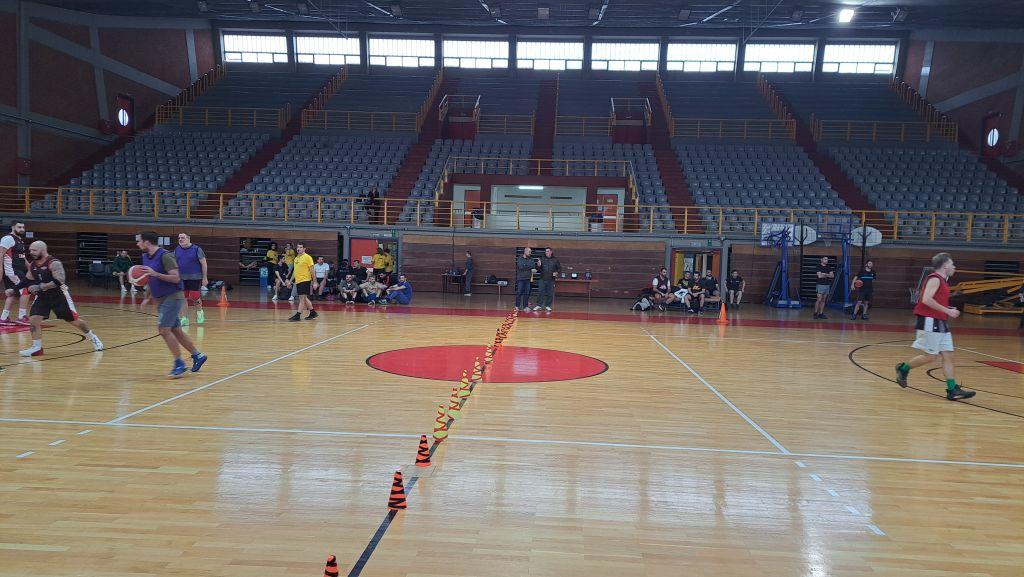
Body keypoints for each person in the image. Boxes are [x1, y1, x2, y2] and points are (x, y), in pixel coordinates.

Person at [895, 253, 974, 401]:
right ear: (945, 266)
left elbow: (935, 301)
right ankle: (903, 369)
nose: (954, 267)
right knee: (930, 357)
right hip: (930, 321)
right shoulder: (934, 279)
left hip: (940, 322)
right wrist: (948, 311)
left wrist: (946, 308)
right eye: (952, 264)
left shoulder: (942, 281)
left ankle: (952, 390)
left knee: (948, 355)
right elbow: (926, 300)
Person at [6, 241, 103, 357]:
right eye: (30, 250)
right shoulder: (33, 265)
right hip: (42, 296)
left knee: (73, 320)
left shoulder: (54, 263)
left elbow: (59, 280)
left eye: (34, 250)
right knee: (33, 320)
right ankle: (37, 348)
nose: (31, 252)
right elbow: (26, 280)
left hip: (59, 296)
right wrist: (14, 289)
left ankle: (93, 337)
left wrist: (40, 287)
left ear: (43, 250)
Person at [136, 231, 207, 377]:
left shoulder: (165, 255)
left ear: (147, 242)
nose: (138, 244)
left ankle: (179, 363)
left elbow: (176, 278)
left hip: (173, 297)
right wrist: (146, 297)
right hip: (159, 298)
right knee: (176, 331)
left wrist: (156, 274)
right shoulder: (145, 257)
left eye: (139, 241)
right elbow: (149, 279)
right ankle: (198, 355)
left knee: (163, 330)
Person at [174, 233, 208, 326]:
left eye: (183, 237)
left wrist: (205, 278)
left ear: (188, 238)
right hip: (181, 277)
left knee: (194, 296)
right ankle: (184, 318)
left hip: (195, 277)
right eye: (179, 238)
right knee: (183, 297)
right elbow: (174, 263)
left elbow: (204, 264)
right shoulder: (177, 249)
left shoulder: (197, 249)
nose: (180, 239)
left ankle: (199, 311)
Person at [1, 220, 30, 325]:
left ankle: (3, 318)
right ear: (13, 227)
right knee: (26, 290)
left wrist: (29, 267)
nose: (22, 229)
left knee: (13, 293)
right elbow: (0, 254)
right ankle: (22, 317)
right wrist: (1, 269)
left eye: (23, 227)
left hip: (18, 270)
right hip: (12, 271)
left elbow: (22, 256)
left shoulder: (19, 240)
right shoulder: (8, 238)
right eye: (19, 227)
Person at [289, 243, 317, 322]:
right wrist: (290, 281)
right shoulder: (296, 258)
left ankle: (298, 315)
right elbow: (295, 271)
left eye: (300, 247)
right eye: (298, 247)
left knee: (301, 298)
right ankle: (313, 312)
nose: (298, 248)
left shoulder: (308, 257)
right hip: (298, 281)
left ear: (304, 249)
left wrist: (315, 282)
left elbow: (312, 271)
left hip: (305, 280)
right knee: (304, 298)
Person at [534, 247, 561, 311]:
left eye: (548, 251)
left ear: (551, 252)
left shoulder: (555, 260)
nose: (546, 252)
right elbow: (537, 268)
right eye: (546, 251)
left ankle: (548, 305)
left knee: (550, 293)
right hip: (542, 279)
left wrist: (556, 272)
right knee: (540, 292)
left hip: (551, 280)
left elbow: (559, 268)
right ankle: (538, 305)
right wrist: (538, 265)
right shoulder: (542, 259)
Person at [514, 247, 536, 312]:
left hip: (528, 279)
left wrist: (525, 266)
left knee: (526, 293)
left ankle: (525, 306)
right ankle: (517, 306)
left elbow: (533, 266)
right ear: (525, 251)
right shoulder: (520, 258)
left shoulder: (531, 259)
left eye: (530, 252)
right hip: (521, 278)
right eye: (529, 252)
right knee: (519, 292)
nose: (530, 253)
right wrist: (529, 267)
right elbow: (521, 266)